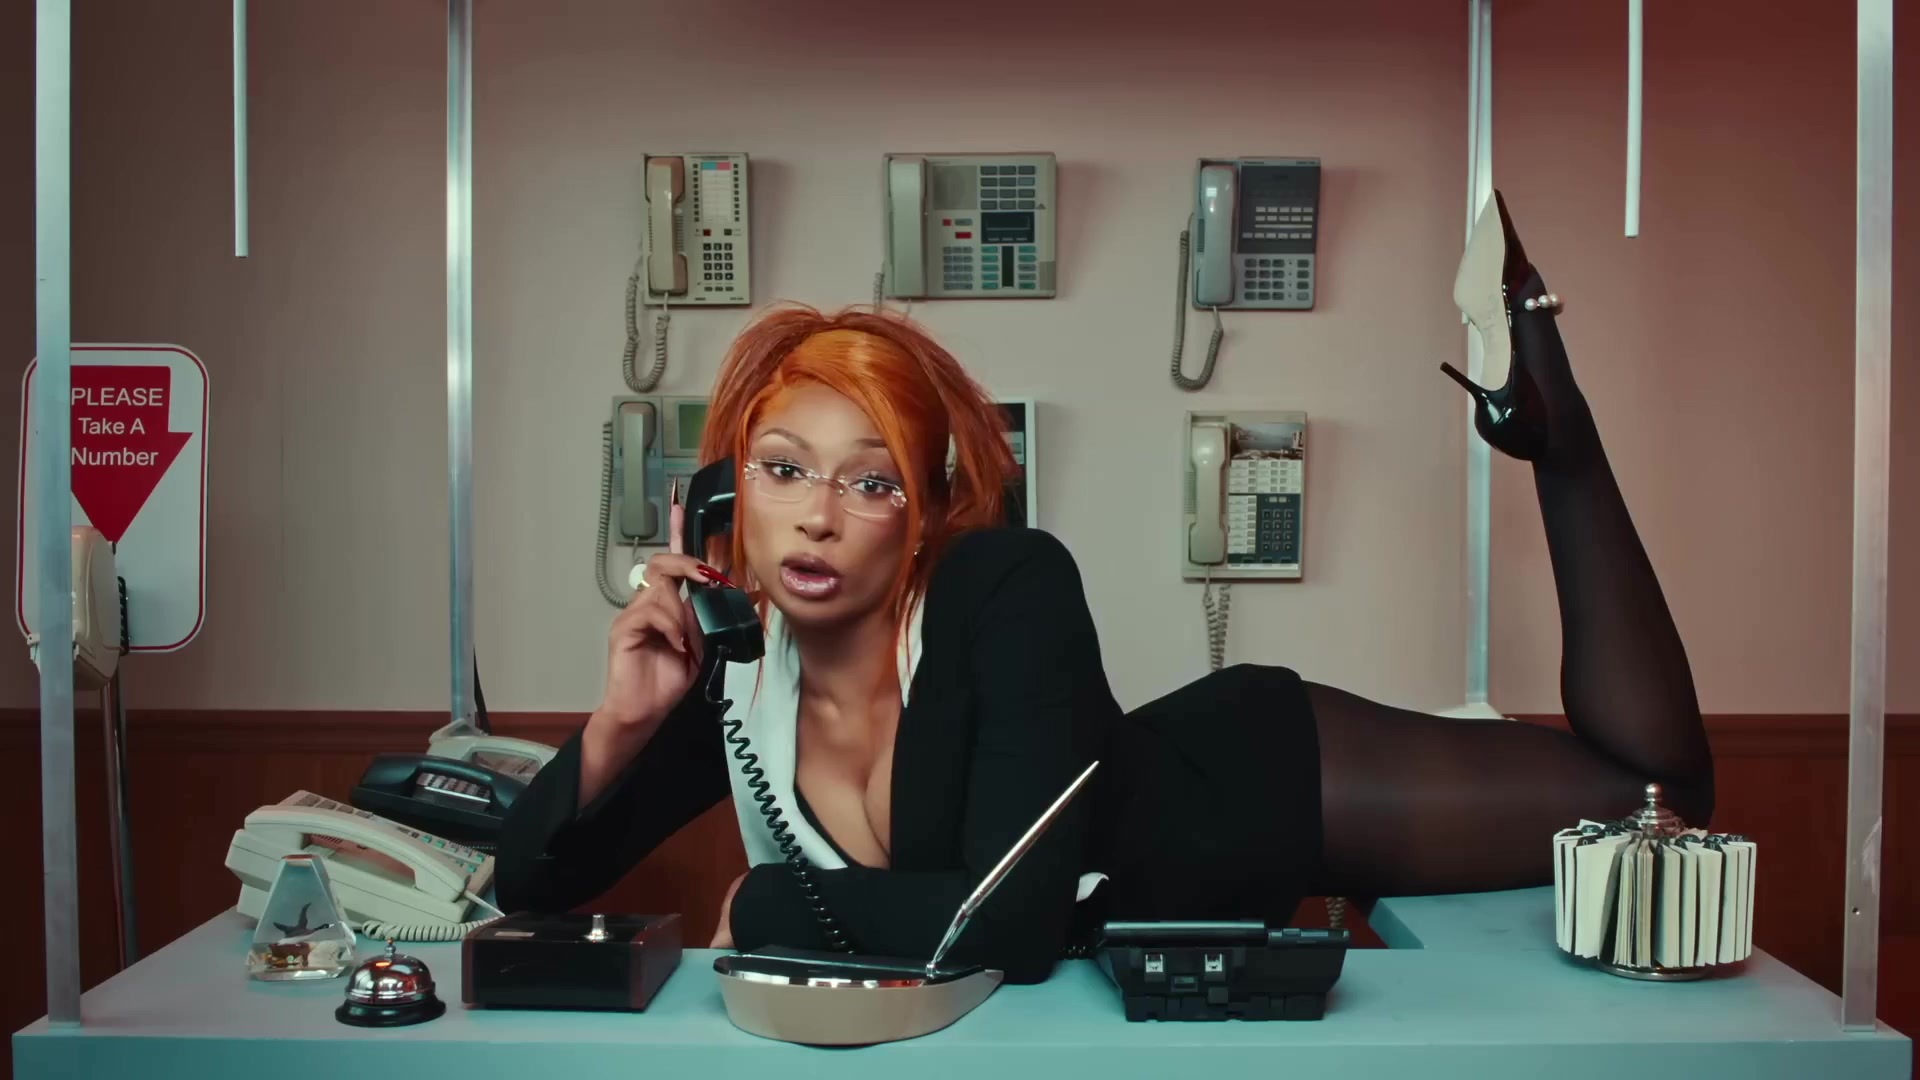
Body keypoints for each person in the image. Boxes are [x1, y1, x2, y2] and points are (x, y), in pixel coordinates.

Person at [495, 192, 1713, 984]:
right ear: (722, 498)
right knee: (1649, 801)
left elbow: (1010, 929)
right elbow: (531, 884)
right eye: (781, 470)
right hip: (1111, 943)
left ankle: (1554, 425)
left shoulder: (1004, 585)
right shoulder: (741, 674)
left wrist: (764, 905)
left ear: (922, 518)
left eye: (871, 483)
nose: (816, 514)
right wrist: (618, 729)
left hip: (1250, 792)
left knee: (1656, 801)